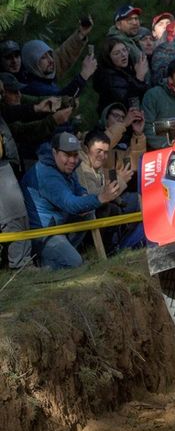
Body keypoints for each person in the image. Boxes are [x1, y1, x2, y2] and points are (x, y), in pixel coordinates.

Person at [21, 131, 122, 269]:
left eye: (75, 155)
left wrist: (84, 195)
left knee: (89, 212)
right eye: (67, 155)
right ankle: (47, 263)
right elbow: (71, 204)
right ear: (54, 152)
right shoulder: (47, 175)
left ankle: (74, 253)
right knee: (76, 264)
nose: (72, 160)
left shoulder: (66, 167)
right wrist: (101, 197)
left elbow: (78, 188)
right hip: (43, 234)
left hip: (59, 223)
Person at [0, 88, 32, 269]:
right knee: (14, 216)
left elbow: (10, 110)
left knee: (17, 217)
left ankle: (22, 264)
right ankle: (21, 266)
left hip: (5, 162)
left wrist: (36, 108)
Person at [20, 39, 96, 98]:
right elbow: (62, 98)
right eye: (43, 57)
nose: (51, 60)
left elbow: (64, 56)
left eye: (50, 55)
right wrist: (84, 74)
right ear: (32, 63)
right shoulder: (34, 87)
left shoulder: (45, 81)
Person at [93, 38, 149, 109]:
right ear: (108, 58)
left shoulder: (127, 70)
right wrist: (139, 78)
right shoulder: (109, 78)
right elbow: (129, 103)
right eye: (117, 53)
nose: (123, 54)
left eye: (124, 50)